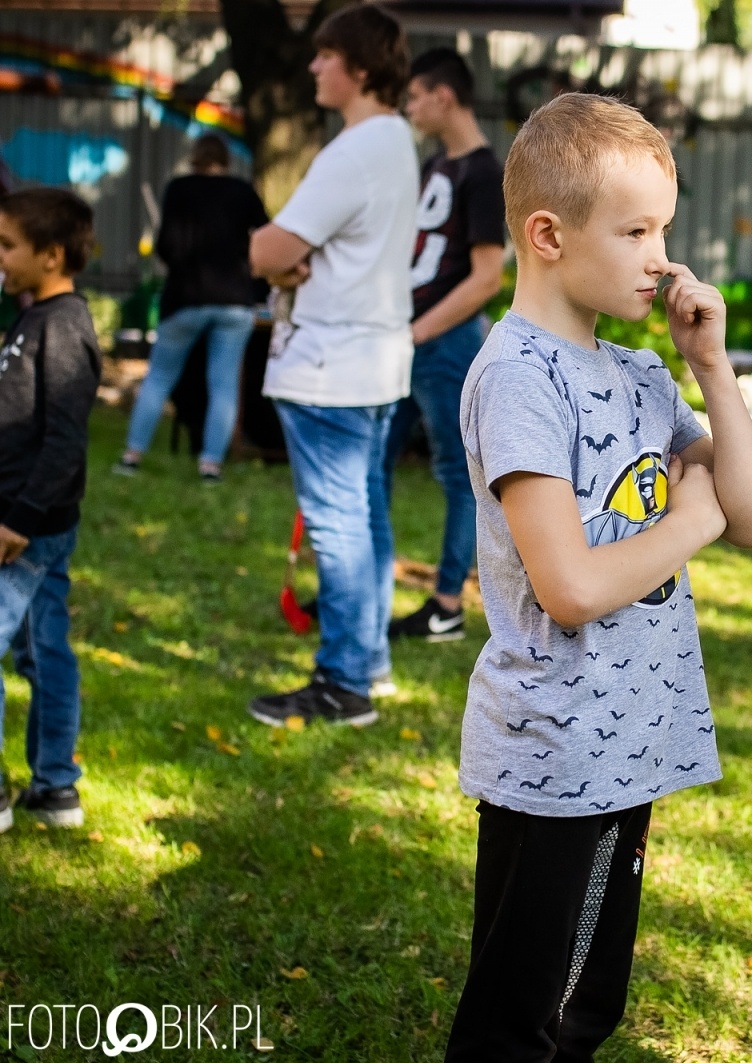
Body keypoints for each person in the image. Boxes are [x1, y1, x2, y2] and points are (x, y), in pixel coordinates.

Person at [441, 93, 752, 1063]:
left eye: (663, 230)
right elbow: (572, 587)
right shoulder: (518, 378)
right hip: (557, 755)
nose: (662, 259)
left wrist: (710, 366)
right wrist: (689, 520)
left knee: (582, 1004)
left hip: (627, 739)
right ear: (547, 235)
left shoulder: (637, 375)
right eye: (636, 231)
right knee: (527, 1021)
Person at [245, 3, 417, 727]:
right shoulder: (398, 141)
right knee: (366, 517)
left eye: (326, 55)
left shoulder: (352, 150)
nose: (314, 66)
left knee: (340, 524)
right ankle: (366, 663)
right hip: (372, 362)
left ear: (362, 67)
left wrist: (283, 258)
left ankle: (342, 681)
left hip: (329, 368)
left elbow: (267, 251)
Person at [385, 47, 505, 643]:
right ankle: (364, 592)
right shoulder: (436, 167)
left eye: (414, 95)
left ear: (444, 96)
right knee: (373, 462)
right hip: (407, 340)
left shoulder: (484, 173)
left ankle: (446, 604)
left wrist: (420, 331)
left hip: (445, 342)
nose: (408, 106)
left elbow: (488, 277)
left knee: (458, 476)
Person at [0, 188, 101, 832]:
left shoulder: (63, 327)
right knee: (45, 651)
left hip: (24, 526)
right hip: (28, 520)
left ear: (52, 254)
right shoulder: (34, 315)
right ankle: (56, 787)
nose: (0, 256)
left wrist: (20, 517)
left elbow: (66, 437)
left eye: (8, 245)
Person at [116, 134, 268, 483]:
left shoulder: (179, 189)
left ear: (195, 157)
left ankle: (132, 455)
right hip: (234, 299)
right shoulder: (242, 192)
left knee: (159, 377)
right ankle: (211, 463)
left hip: (186, 296)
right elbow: (265, 237)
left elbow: (166, 245)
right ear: (226, 160)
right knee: (224, 384)